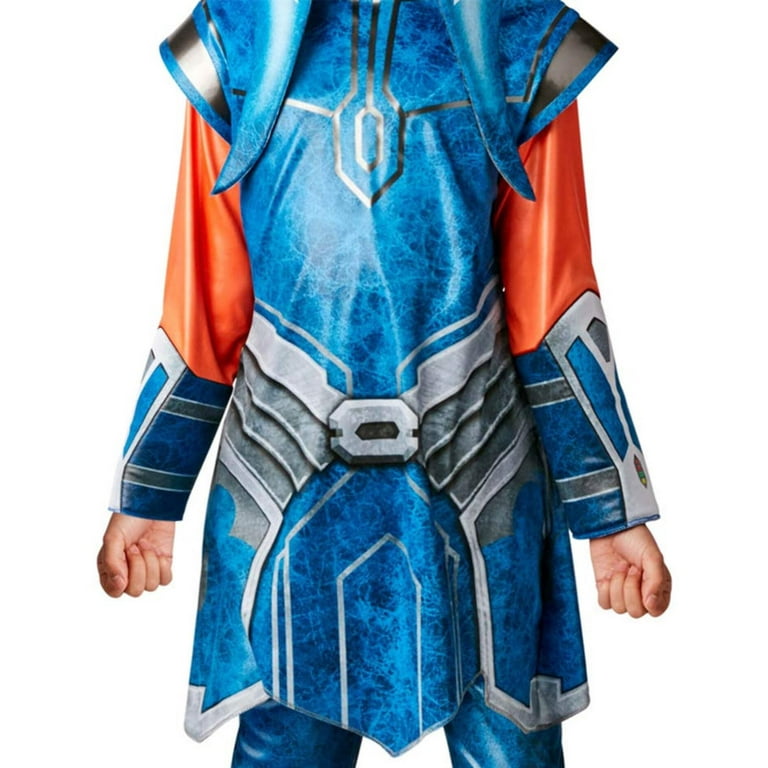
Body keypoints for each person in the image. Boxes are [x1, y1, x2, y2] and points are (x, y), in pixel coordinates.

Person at [98, 1, 672, 765]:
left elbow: (553, 302)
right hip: (285, 482)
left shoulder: (520, 38)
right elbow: (205, 300)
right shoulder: (237, 37)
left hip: (479, 482)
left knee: (508, 738)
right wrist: (148, 490)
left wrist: (610, 513)